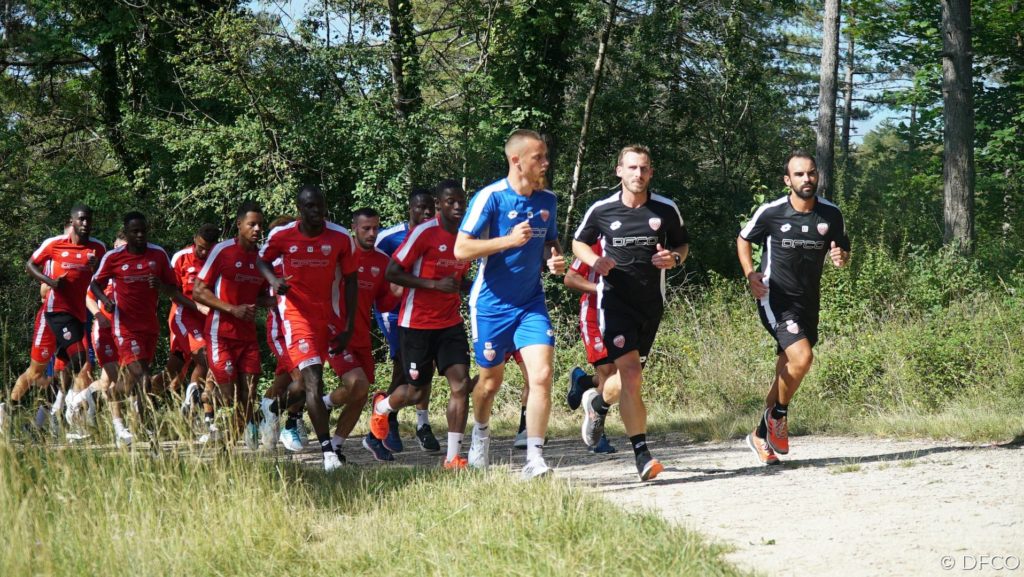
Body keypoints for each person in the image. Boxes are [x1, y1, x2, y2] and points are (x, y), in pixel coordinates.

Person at [573, 144, 689, 481]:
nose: (638, 174)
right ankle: (642, 455)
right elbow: (579, 242)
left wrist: (674, 258)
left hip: (651, 305)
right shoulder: (602, 209)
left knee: (625, 382)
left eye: (644, 168)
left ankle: (597, 404)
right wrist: (595, 260)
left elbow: (682, 244)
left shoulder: (665, 209)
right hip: (614, 304)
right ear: (619, 171)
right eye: (632, 167)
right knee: (632, 374)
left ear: (651, 172)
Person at [454, 129, 566, 480]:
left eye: (546, 156)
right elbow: (461, 249)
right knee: (489, 384)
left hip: (531, 302)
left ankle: (534, 459)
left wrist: (554, 259)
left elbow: (550, 243)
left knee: (542, 375)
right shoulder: (490, 198)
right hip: (491, 304)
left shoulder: (548, 201)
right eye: (538, 157)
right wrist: (507, 241)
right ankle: (480, 434)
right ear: (516, 161)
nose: (546, 163)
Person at [737, 151, 850, 465]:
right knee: (803, 358)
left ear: (817, 176)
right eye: (799, 174)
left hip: (809, 300)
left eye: (811, 173)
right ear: (788, 180)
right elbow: (743, 239)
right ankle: (779, 416)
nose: (806, 179)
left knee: (787, 370)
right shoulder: (772, 212)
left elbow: (842, 250)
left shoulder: (831, 214)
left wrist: (841, 258)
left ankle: (760, 434)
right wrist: (750, 274)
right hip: (775, 297)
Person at [369, 182, 473, 468]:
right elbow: (393, 272)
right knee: (415, 391)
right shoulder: (423, 233)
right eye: (450, 201)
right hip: (416, 323)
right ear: (439, 204)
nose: (457, 206)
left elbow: (459, 279)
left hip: (450, 322)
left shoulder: (467, 235)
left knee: (461, 384)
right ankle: (382, 406)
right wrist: (434, 285)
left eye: (461, 201)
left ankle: (453, 457)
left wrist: (476, 287)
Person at [256, 185, 358, 472]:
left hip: (326, 318)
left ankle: (272, 408)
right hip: (295, 316)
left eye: (319, 205)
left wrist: (348, 325)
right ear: (299, 210)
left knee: (302, 385)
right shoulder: (282, 235)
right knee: (314, 381)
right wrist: (274, 281)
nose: (316, 211)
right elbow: (261, 260)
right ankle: (328, 455)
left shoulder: (340, 237)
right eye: (309, 206)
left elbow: (351, 280)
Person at [90, 211, 188, 449]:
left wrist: (161, 286)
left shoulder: (158, 254)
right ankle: (149, 430)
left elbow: (173, 288)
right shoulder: (114, 257)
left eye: (143, 231)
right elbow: (94, 284)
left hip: (149, 326)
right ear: (126, 232)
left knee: (136, 379)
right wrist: (106, 301)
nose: (140, 235)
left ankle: (113, 394)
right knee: (143, 376)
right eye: (135, 231)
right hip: (124, 326)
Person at [319, 207, 400, 462]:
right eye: (366, 228)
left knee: (361, 394)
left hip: (362, 335)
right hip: (335, 330)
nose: (372, 233)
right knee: (358, 383)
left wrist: (402, 288)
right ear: (354, 228)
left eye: (376, 228)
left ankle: (336, 446)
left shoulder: (382, 261)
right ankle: (323, 404)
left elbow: (385, 303)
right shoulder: (339, 254)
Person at [193, 202, 271, 450]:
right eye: (252, 224)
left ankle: (227, 448)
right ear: (239, 225)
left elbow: (260, 296)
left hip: (248, 337)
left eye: (260, 225)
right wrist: (232, 309)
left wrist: (280, 297)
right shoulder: (223, 251)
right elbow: (198, 291)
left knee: (248, 395)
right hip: (221, 334)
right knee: (230, 397)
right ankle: (203, 396)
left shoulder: (262, 258)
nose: (257, 229)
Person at [26, 205, 106, 428]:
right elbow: (30, 265)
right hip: (57, 311)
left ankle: (44, 416)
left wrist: (97, 268)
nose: (85, 223)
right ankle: (64, 408)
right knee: (79, 359)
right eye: (81, 219)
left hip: (80, 314)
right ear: (72, 222)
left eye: (88, 219)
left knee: (66, 368)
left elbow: (102, 281)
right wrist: (50, 282)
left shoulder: (98, 247)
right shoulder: (55, 244)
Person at [373, 188, 439, 453]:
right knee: (403, 363)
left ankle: (423, 425)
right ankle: (388, 416)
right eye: (420, 207)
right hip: (392, 310)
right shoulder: (389, 237)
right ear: (410, 209)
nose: (426, 212)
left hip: (423, 310)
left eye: (430, 207)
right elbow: (365, 260)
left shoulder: (438, 235)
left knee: (427, 364)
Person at [152, 224, 220, 428]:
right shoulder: (181, 257)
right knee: (207, 358)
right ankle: (198, 407)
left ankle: (145, 395)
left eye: (208, 249)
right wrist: (198, 307)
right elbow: (172, 292)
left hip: (208, 320)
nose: (204, 253)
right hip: (184, 317)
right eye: (200, 247)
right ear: (195, 239)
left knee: (173, 372)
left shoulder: (219, 258)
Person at [563, 241, 616, 454]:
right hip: (594, 314)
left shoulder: (635, 237)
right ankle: (597, 436)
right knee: (607, 373)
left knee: (620, 376)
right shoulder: (595, 243)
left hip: (622, 315)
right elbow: (570, 278)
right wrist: (601, 289)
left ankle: (583, 381)